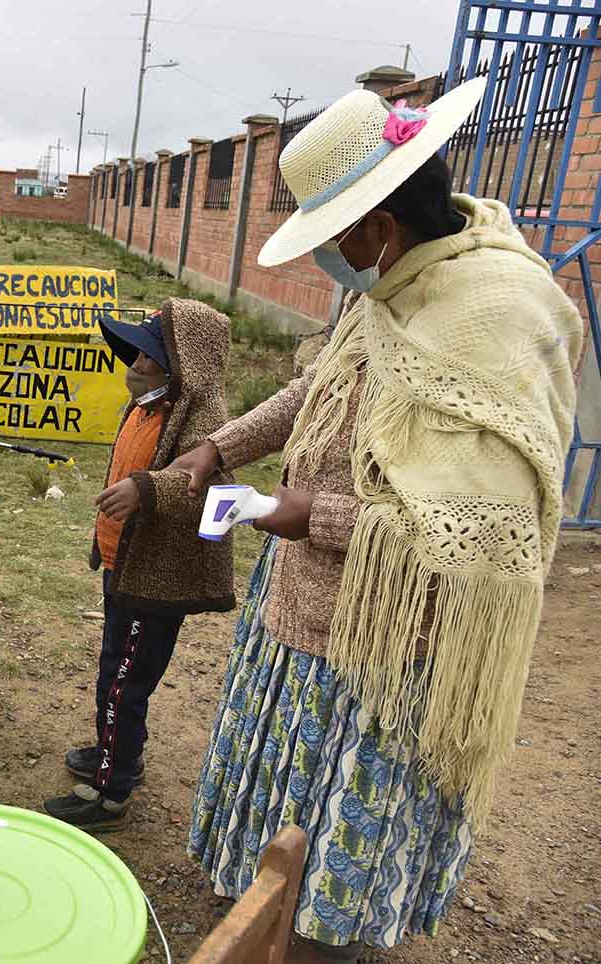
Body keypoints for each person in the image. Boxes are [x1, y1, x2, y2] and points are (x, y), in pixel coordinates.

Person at [176, 80, 583, 962]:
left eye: (329, 237)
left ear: (379, 229)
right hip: (305, 617)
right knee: (287, 828)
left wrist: (307, 514)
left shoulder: (494, 320)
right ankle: (274, 916)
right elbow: (315, 388)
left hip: (385, 654)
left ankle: (323, 940)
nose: (325, 257)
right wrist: (222, 447)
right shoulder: (390, 288)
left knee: (342, 849)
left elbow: (469, 538)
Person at [42, 300, 235, 828]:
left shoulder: (204, 420)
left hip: (157, 578)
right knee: (118, 671)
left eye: (149, 355)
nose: (134, 363)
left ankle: (110, 793)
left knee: (124, 680)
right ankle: (121, 753)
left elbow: (209, 490)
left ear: (182, 365)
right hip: (124, 566)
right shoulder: (147, 405)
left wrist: (148, 489)